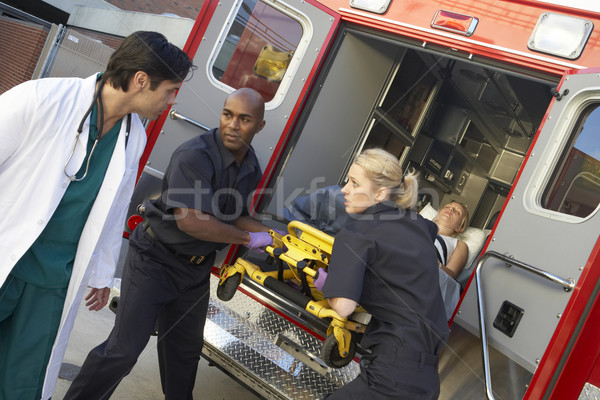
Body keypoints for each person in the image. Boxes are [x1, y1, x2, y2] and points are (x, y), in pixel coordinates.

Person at [0, 31, 193, 400]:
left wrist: (103, 273)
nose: (170, 102)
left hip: (52, 282)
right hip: (7, 254)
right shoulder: (42, 98)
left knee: (21, 383)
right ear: (141, 80)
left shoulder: (132, 136)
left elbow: (113, 208)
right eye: (169, 90)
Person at [63, 87, 273, 400]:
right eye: (227, 114)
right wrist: (247, 238)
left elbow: (233, 214)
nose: (232, 124)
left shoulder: (251, 165)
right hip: (155, 260)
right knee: (124, 350)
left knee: (184, 354)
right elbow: (190, 220)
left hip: (195, 272)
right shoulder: (195, 155)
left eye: (244, 119)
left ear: (259, 126)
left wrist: (271, 237)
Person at [318, 148, 449, 400]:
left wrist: (329, 282)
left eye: (354, 183)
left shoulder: (356, 234)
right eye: (348, 180)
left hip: (391, 377)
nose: (344, 189)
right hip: (427, 378)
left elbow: (344, 307)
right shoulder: (421, 227)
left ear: (380, 193)